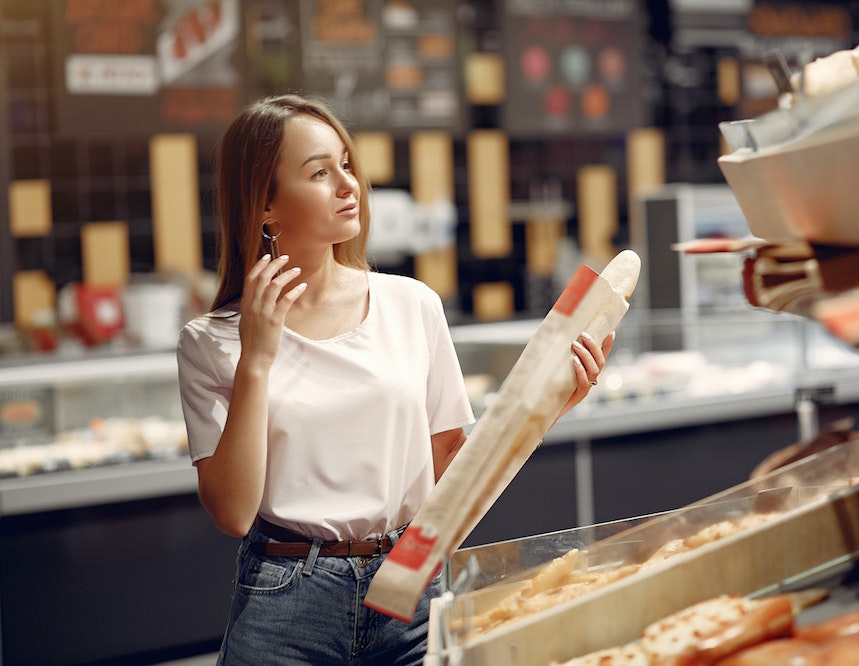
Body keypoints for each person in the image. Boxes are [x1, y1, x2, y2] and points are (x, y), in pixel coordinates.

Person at [176, 93, 615, 665]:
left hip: (410, 583)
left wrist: (548, 404)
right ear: (265, 206)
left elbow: (451, 474)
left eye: (346, 165)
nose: (348, 184)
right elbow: (233, 513)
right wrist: (258, 358)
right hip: (285, 599)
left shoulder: (411, 304)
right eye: (318, 172)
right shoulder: (211, 341)